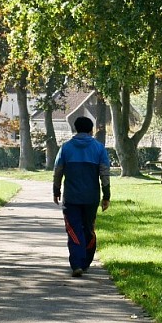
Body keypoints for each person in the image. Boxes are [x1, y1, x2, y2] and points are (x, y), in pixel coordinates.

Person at [53, 116, 111, 277]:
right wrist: (106, 195)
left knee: (73, 229)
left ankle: (77, 263)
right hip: (91, 197)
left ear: (75, 129)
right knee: (88, 229)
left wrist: (56, 190)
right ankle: (85, 263)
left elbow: (58, 171)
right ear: (91, 130)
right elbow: (105, 174)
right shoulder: (99, 148)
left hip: (71, 197)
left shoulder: (66, 148)